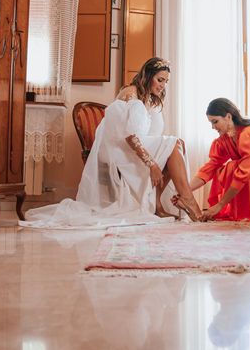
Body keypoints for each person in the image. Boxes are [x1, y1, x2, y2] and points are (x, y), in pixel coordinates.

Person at [21, 57, 203, 229]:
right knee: (173, 144)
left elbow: (149, 134)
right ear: (148, 76)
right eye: (160, 80)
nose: (163, 86)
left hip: (134, 146)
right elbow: (131, 137)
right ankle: (187, 199)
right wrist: (152, 163)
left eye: (166, 82)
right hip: (121, 150)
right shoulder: (131, 93)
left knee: (176, 145)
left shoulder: (149, 99)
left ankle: (159, 204)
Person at [184, 98, 250, 221]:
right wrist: (185, 191)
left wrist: (221, 205)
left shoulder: (248, 133)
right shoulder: (224, 140)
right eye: (211, 123)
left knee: (236, 167)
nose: (213, 127)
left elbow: (244, 171)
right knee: (226, 168)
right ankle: (242, 211)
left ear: (228, 117)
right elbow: (210, 167)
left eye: (215, 121)